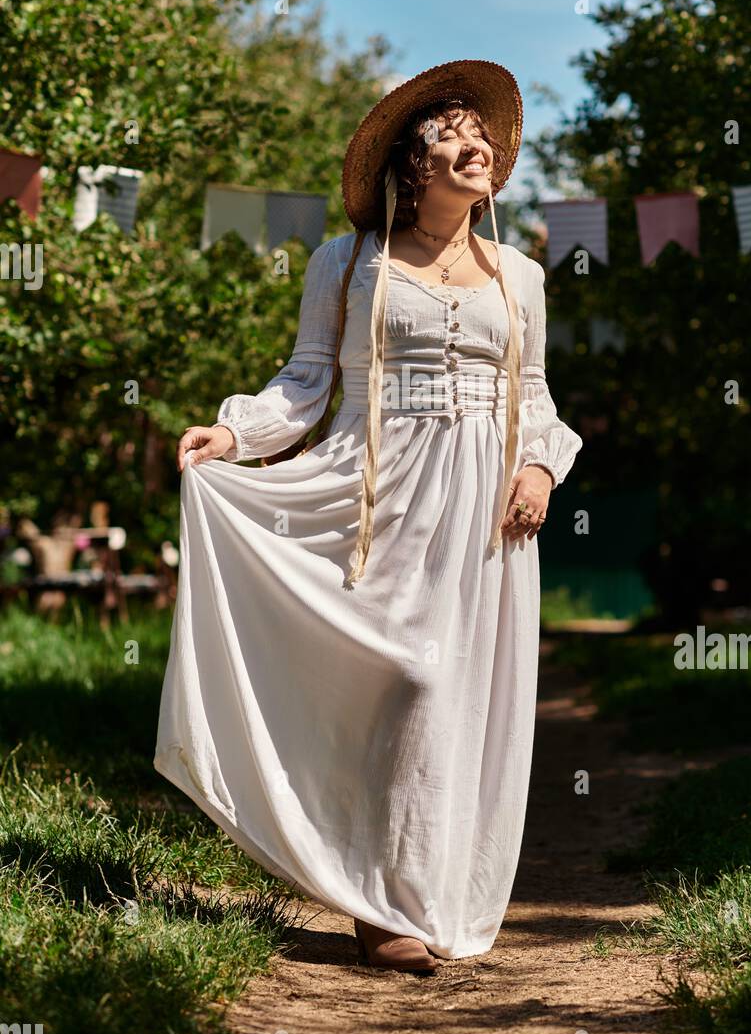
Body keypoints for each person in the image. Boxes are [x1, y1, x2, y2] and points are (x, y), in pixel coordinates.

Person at [154, 59, 582, 973]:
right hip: (373, 490)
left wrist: (540, 466)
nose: (479, 146)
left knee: (452, 694)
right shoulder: (346, 262)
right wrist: (234, 438)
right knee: (397, 681)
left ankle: (407, 900)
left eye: (484, 135)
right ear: (411, 163)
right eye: (452, 133)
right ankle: (371, 889)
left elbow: (535, 392)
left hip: (484, 506)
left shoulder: (523, 276)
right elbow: (307, 382)